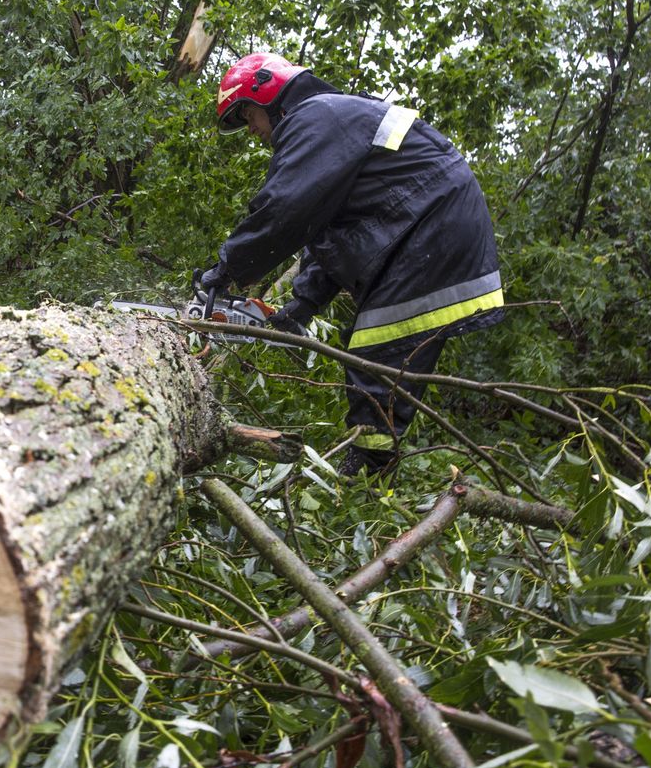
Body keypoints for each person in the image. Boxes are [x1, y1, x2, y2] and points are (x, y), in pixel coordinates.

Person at [202, 52, 504, 477]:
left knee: (375, 351)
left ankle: (366, 477)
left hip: (435, 232)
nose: (251, 129)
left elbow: (285, 209)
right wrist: (301, 306)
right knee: (376, 354)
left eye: (248, 115)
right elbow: (328, 233)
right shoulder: (333, 121)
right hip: (429, 231)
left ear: (266, 93)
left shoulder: (316, 118)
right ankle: (372, 471)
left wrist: (227, 268)